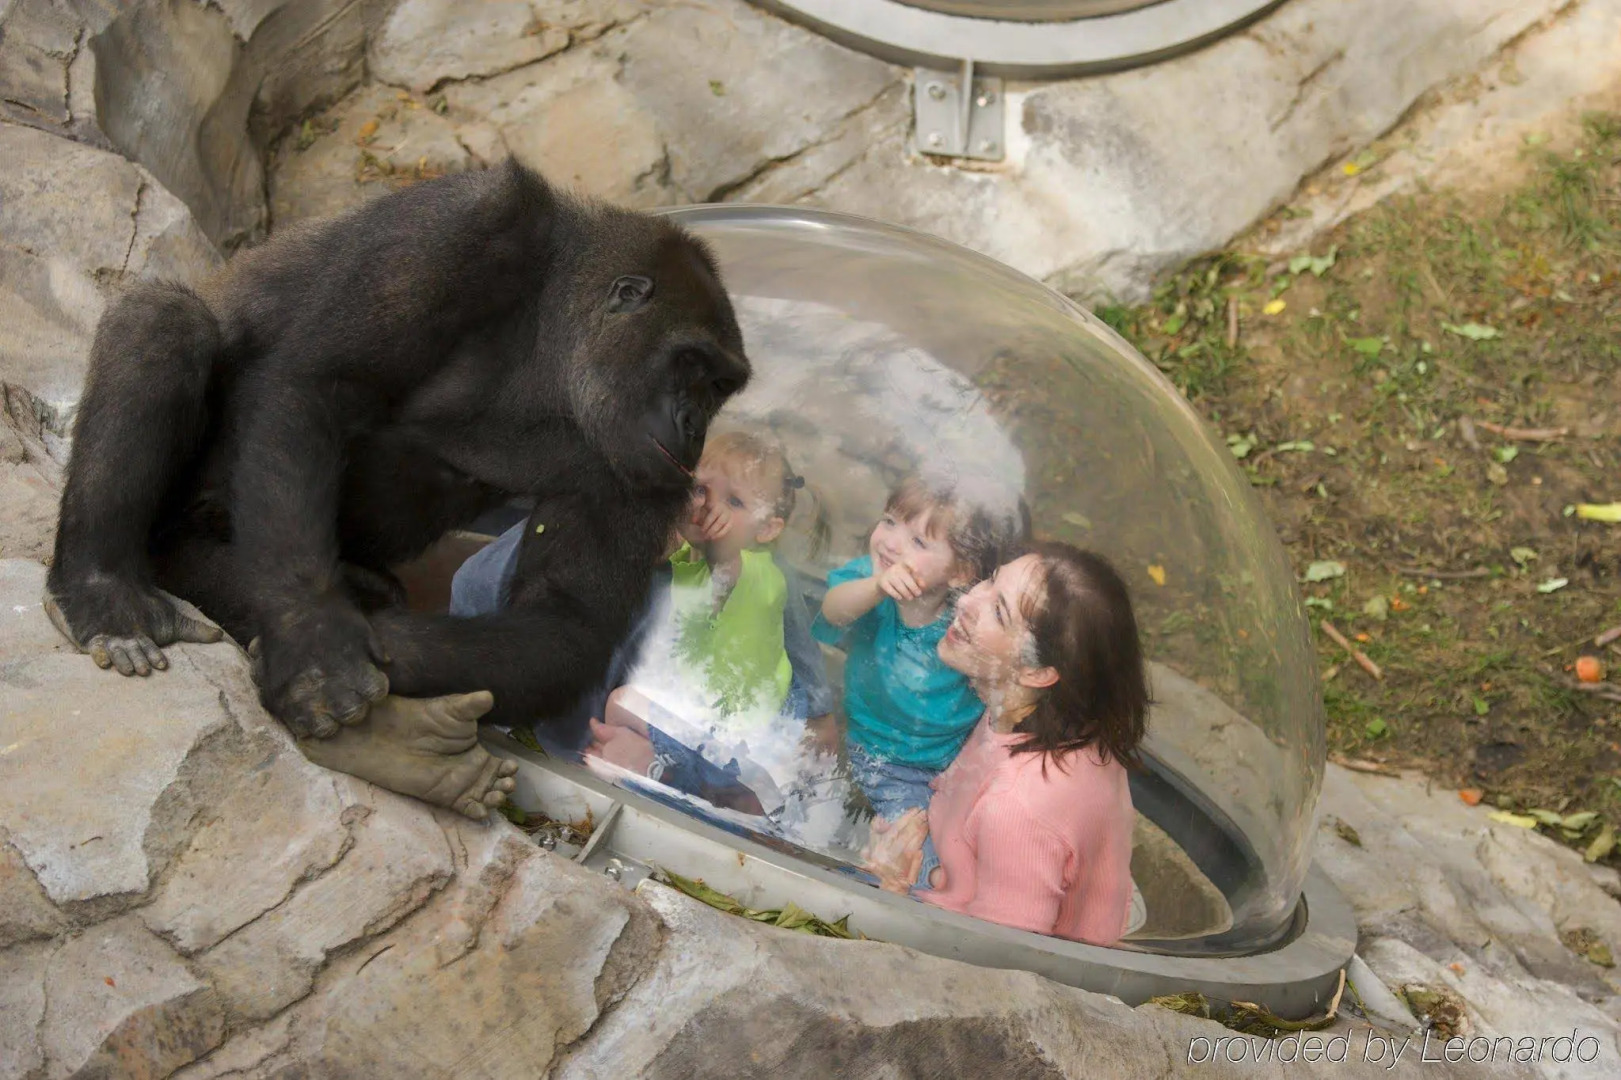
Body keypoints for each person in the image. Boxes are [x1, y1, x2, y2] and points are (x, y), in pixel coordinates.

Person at [862, 541, 1148, 946]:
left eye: (998, 612)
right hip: (979, 874)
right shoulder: (1067, 720)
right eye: (991, 581)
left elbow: (996, 970)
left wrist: (889, 888)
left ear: (1038, 672)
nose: (966, 601)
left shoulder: (1016, 809)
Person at [583, 432, 832, 812]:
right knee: (619, 705)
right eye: (701, 490)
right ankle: (681, 773)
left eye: (733, 501)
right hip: (707, 705)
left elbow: (727, 571)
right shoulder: (693, 557)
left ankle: (669, 776)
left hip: (746, 722)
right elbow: (659, 549)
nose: (709, 506)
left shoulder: (762, 570)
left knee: (623, 704)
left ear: (767, 529)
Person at [811, 475, 1024, 822]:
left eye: (918, 542)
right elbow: (833, 611)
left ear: (959, 572)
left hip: (943, 762)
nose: (890, 544)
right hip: (866, 742)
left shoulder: (965, 618)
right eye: (889, 521)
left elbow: (1000, 677)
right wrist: (876, 587)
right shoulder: (869, 580)